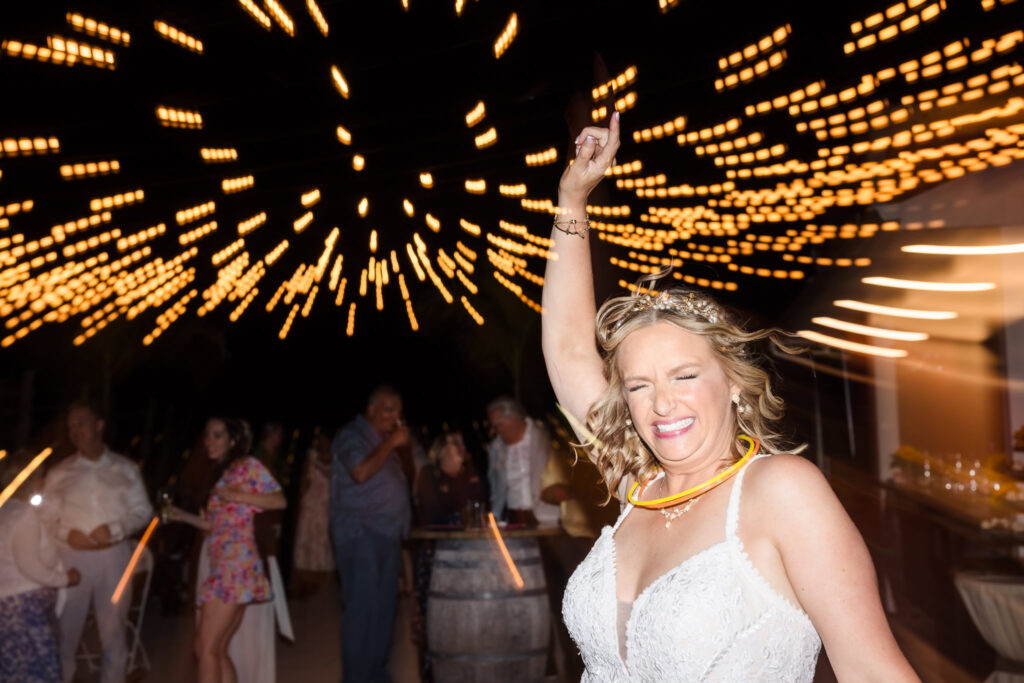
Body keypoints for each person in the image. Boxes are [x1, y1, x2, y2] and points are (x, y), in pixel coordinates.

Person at [545, 113, 918, 681]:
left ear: (735, 384)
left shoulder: (781, 491)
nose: (661, 404)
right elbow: (571, 352)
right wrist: (572, 201)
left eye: (685, 376)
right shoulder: (636, 490)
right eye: (639, 385)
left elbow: (872, 669)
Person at [38, 399, 154, 683]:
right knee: (66, 631)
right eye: (71, 426)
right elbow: (44, 518)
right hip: (71, 558)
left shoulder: (125, 468)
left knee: (113, 633)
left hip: (113, 557)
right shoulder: (59, 473)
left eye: (81, 423)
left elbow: (143, 511)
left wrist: (115, 529)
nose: (75, 430)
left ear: (99, 426)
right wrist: (67, 534)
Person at [166, 417, 286, 683]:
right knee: (215, 650)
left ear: (233, 441)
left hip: (236, 566)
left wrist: (239, 496)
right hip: (224, 565)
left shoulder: (247, 466)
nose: (210, 441)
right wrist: (180, 516)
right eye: (208, 435)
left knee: (205, 647)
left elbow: (279, 500)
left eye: (218, 435)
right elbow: (213, 526)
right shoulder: (222, 476)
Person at [330, 385, 412, 683]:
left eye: (399, 412)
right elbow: (360, 472)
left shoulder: (381, 441)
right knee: (362, 610)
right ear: (371, 410)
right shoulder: (351, 436)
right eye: (389, 409)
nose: (395, 417)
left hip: (387, 534)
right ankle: (357, 677)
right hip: (360, 533)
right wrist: (391, 445)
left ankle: (376, 674)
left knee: (383, 611)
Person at [0, 451, 81, 682]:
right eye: (40, 476)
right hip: (24, 608)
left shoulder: (4, 510)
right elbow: (30, 567)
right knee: (34, 671)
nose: (42, 482)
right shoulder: (23, 514)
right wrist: (67, 579)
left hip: (6, 606)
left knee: (14, 669)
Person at [486, 396, 560, 527]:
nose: (493, 431)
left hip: (548, 518)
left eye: (497, 426)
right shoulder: (495, 448)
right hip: (512, 519)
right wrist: (494, 517)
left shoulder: (545, 437)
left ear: (512, 418)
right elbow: (494, 487)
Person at [292, 432, 335, 589]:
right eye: (320, 440)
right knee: (307, 541)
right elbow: (304, 482)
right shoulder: (311, 457)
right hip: (311, 505)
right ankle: (306, 581)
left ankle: (322, 583)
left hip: (326, 506)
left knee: (323, 543)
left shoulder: (335, 458)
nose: (322, 442)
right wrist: (303, 500)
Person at [415, 432, 485, 526]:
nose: (462, 447)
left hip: (470, 534)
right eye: (456, 443)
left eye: (463, 443)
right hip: (444, 536)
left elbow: (479, 506)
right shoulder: (429, 475)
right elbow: (432, 515)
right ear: (442, 450)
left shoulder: (468, 474)